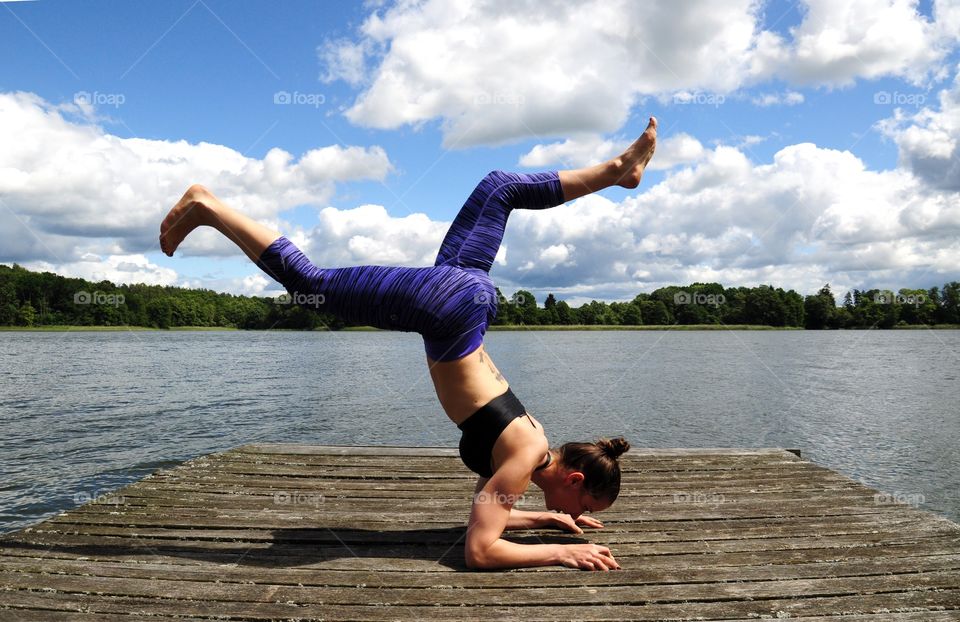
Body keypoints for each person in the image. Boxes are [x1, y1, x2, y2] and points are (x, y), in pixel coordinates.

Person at [159, 117, 659, 571]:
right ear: (574, 482)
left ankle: (617, 171)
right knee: (311, 285)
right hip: (449, 309)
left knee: (499, 187)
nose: (579, 517)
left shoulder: (532, 447)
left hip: (463, 299)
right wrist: (564, 552)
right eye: (585, 509)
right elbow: (480, 550)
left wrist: (549, 523)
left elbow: (490, 515)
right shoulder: (523, 456)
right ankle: (208, 204)